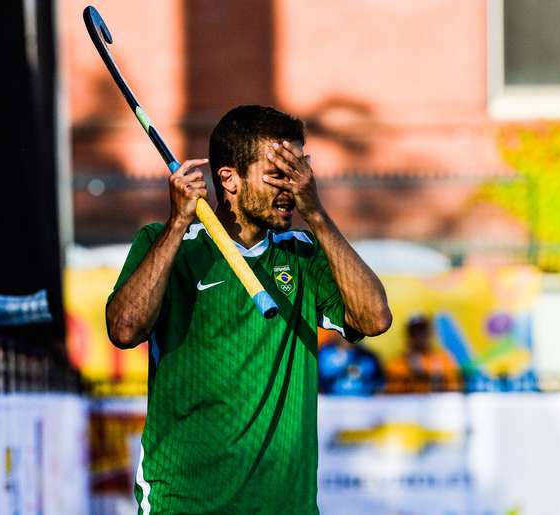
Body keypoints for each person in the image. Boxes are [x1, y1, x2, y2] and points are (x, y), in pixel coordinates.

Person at [105, 105, 391, 514]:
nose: (291, 187)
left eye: (298, 173)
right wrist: (175, 226)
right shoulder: (167, 243)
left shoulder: (304, 255)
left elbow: (374, 319)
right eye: (278, 175)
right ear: (230, 179)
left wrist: (318, 215)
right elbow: (125, 329)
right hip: (184, 505)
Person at [385, 314, 459, 393]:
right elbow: (392, 394)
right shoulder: (397, 363)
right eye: (415, 332)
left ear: (431, 333)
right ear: (409, 336)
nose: (421, 336)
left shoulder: (444, 359)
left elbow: (454, 388)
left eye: (424, 331)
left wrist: (423, 374)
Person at [318, 333, 385, 395]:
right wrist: (342, 366)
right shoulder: (325, 352)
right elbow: (321, 376)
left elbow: (378, 382)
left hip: (363, 402)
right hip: (331, 401)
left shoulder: (368, 356)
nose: (346, 339)